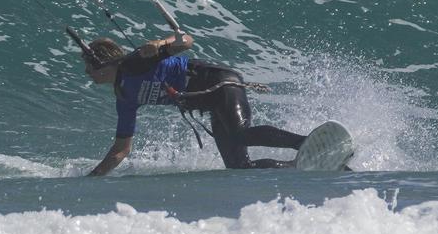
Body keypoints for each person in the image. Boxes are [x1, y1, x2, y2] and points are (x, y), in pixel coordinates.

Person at [82, 33, 306, 175]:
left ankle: (304, 143)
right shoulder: (124, 97)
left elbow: (186, 40)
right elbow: (121, 150)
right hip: (209, 104)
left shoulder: (137, 62)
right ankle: (298, 165)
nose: (87, 72)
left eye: (90, 66)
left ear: (104, 64)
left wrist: (160, 44)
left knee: (238, 133)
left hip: (220, 83)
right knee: (239, 166)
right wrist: (94, 178)